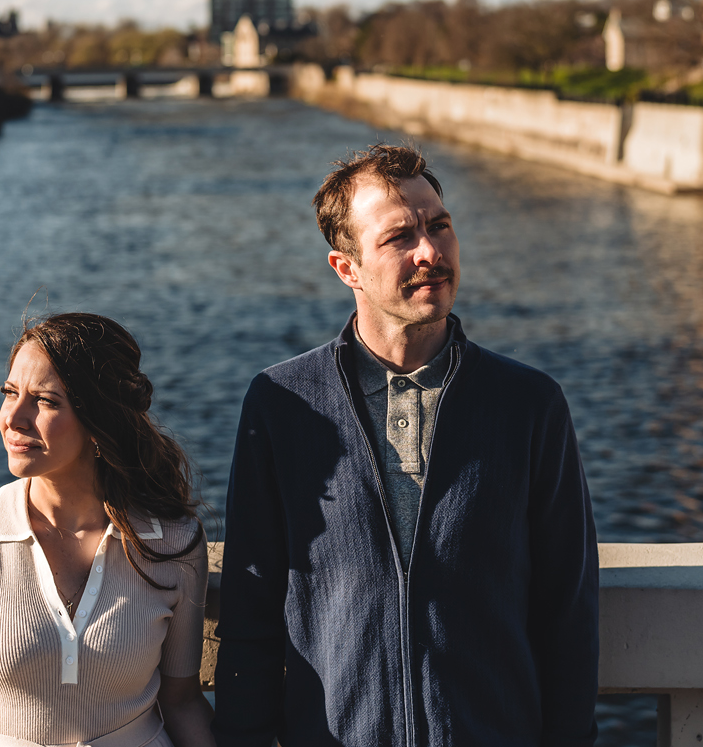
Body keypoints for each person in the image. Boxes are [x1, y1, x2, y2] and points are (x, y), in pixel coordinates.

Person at [212, 144, 600, 747]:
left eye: (440, 226)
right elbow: (251, 610)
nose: (431, 251)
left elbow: (567, 614)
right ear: (347, 268)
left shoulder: (529, 405)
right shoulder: (283, 404)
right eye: (400, 237)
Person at [0, 313, 215, 747]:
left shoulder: (175, 544)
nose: (13, 418)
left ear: (100, 421)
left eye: (46, 401)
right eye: (9, 393)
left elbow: (182, 703)